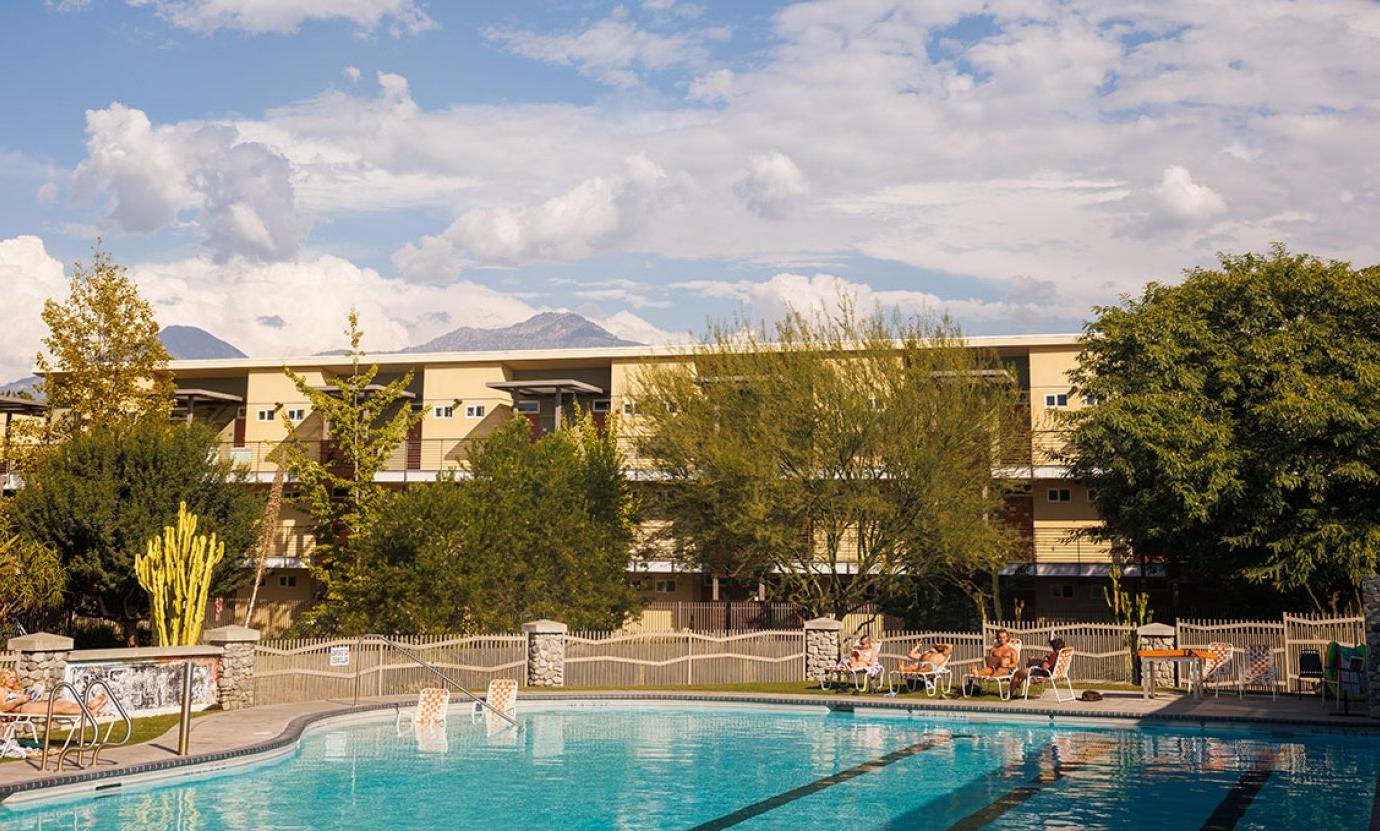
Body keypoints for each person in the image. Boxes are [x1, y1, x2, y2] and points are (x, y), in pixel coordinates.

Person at [0, 670, 107, 716]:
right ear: (4, 678)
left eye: (14, 677)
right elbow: (3, 707)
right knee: (58, 708)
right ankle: (89, 712)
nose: (13, 680)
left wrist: (30, 693)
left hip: (30, 704)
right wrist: (19, 700)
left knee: (62, 703)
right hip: (25, 708)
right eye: (10, 677)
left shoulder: (14, 689)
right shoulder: (1, 690)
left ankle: (89, 705)